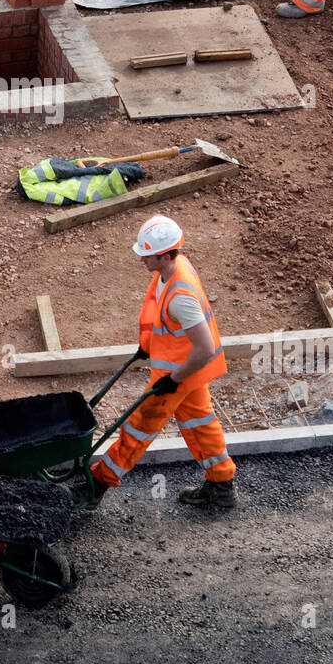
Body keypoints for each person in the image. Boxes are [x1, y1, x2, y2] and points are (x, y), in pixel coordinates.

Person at [89, 215, 236, 509]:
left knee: (138, 427)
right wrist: (147, 347)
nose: (142, 259)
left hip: (178, 374)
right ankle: (221, 486)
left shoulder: (181, 297)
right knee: (200, 423)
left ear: (166, 254)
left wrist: (174, 380)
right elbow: (162, 320)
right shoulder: (171, 269)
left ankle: (97, 484)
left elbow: (205, 348)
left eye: (148, 254)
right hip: (184, 370)